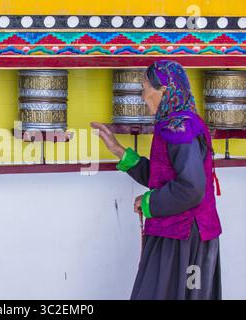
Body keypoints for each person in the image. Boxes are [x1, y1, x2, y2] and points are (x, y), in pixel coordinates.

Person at [91, 60, 222, 300]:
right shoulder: (177, 124)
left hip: (183, 236)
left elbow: (191, 188)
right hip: (185, 232)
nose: (143, 96)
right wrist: (119, 151)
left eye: (145, 88)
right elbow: (164, 176)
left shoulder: (179, 127)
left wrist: (149, 201)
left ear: (163, 90)